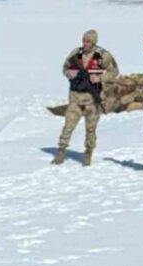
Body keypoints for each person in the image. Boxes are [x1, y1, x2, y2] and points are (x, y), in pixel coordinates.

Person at [53, 30, 118, 167]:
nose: (85, 44)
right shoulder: (76, 53)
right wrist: (69, 73)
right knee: (68, 125)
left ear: (94, 42)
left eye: (88, 41)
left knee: (90, 128)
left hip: (92, 99)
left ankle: (88, 152)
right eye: (84, 41)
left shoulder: (102, 55)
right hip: (75, 97)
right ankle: (61, 151)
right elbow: (64, 68)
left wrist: (100, 78)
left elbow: (114, 72)